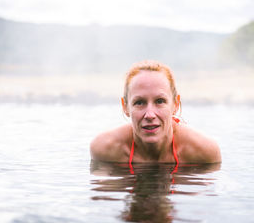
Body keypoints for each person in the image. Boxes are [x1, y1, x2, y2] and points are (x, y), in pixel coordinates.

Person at [90, 60, 221, 165]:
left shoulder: (204, 153)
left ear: (175, 104)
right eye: (139, 102)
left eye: (160, 101)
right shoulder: (105, 150)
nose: (150, 115)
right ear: (125, 107)